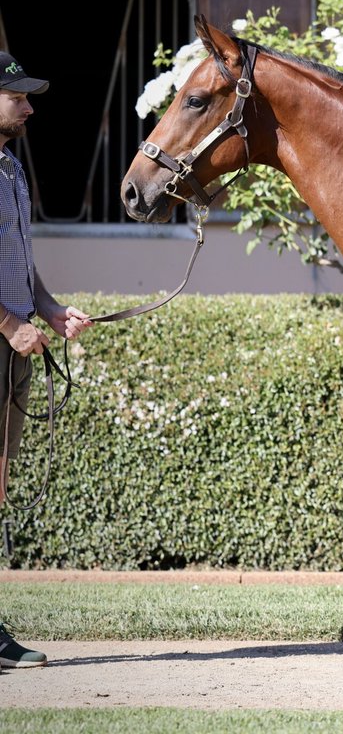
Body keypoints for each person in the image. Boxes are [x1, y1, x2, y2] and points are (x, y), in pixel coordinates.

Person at [0, 50, 92, 670]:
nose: (30, 107)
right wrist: (9, 325)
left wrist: (51, 311)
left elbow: (19, 263)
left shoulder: (10, 168)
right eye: (17, 97)